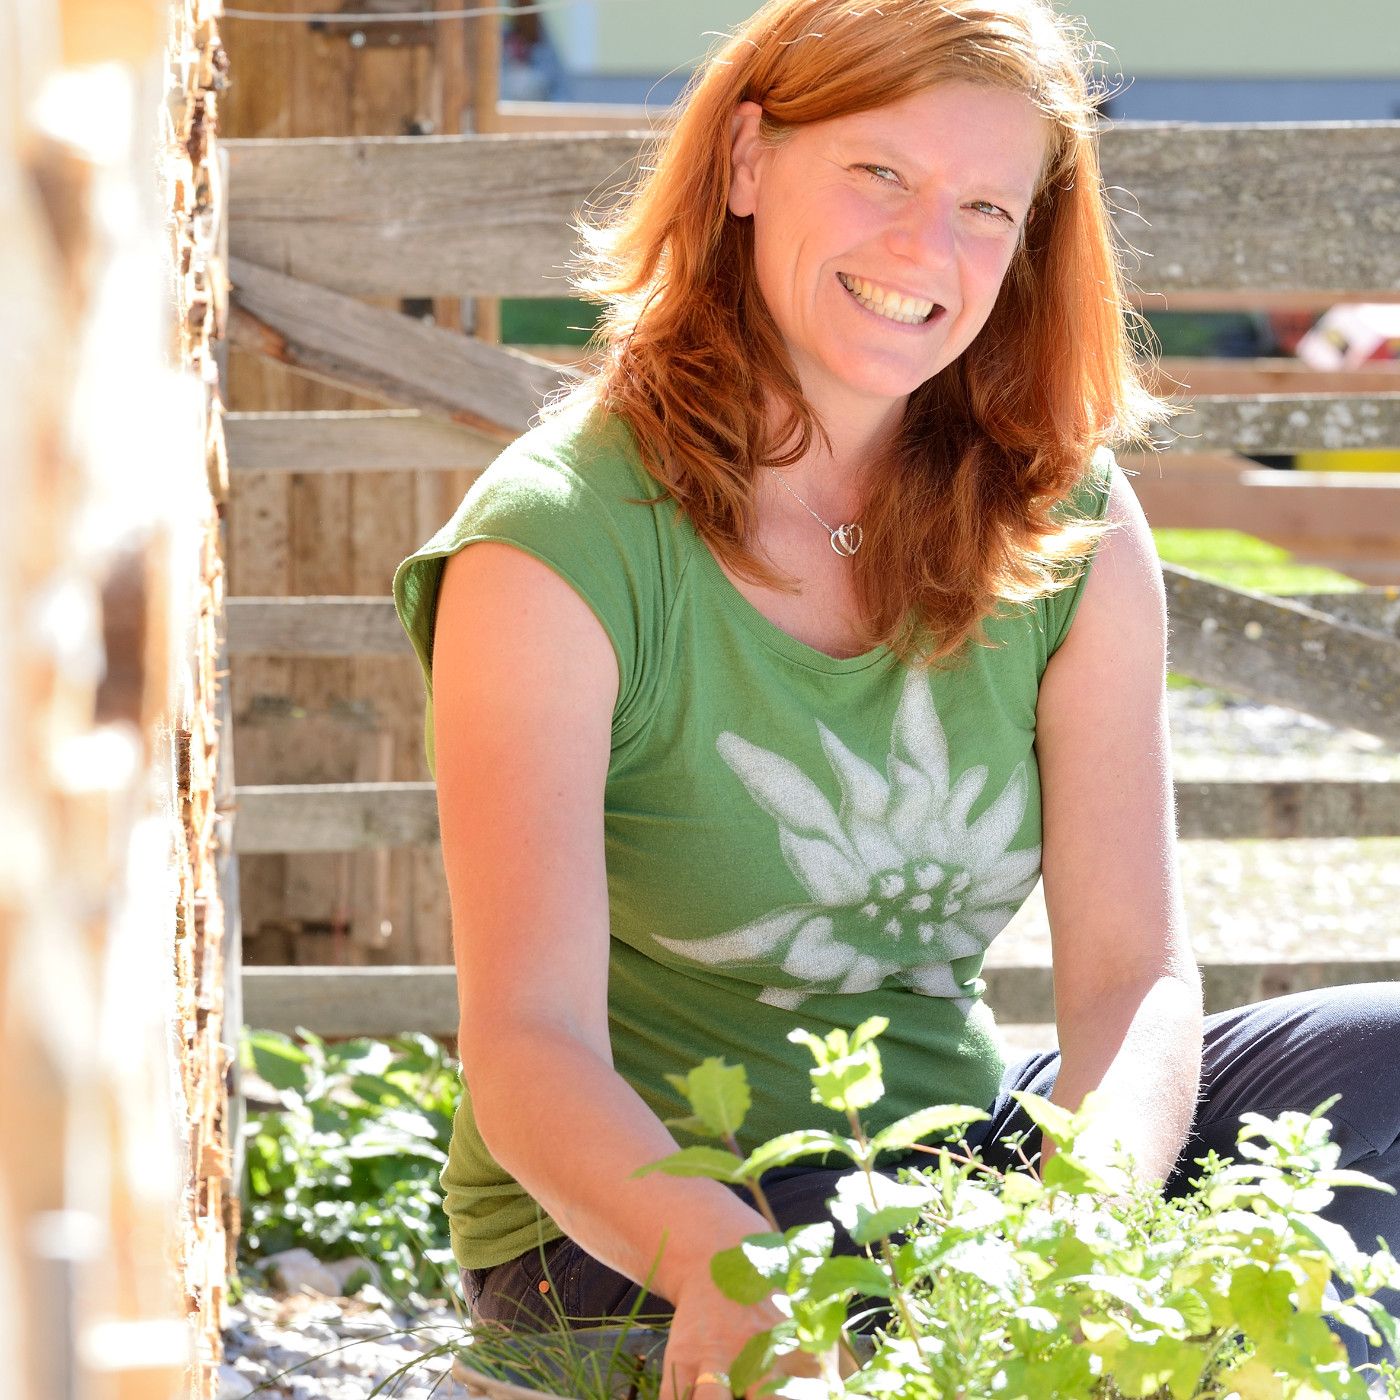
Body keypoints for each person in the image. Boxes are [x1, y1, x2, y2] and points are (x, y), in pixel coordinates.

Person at [393, 1, 1400, 1392]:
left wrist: (1081, 1234)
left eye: (987, 206)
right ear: (746, 161)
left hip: (948, 1166)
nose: (930, 248)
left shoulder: (1066, 525)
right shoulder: (554, 545)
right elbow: (527, 1048)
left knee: (1384, 1061)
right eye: (882, 174)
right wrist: (726, 1267)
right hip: (655, 1229)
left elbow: (1134, 979)